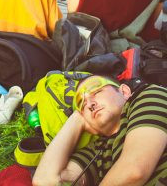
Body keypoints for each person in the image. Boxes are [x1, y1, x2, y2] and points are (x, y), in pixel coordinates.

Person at [32, 75, 167, 186]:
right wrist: (75, 119)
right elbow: (45, 182)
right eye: (82, 104)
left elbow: (134, 170)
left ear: (124, 92)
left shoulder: (148, 95)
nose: (90, 104)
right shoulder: (97, 151)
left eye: (96, 92)